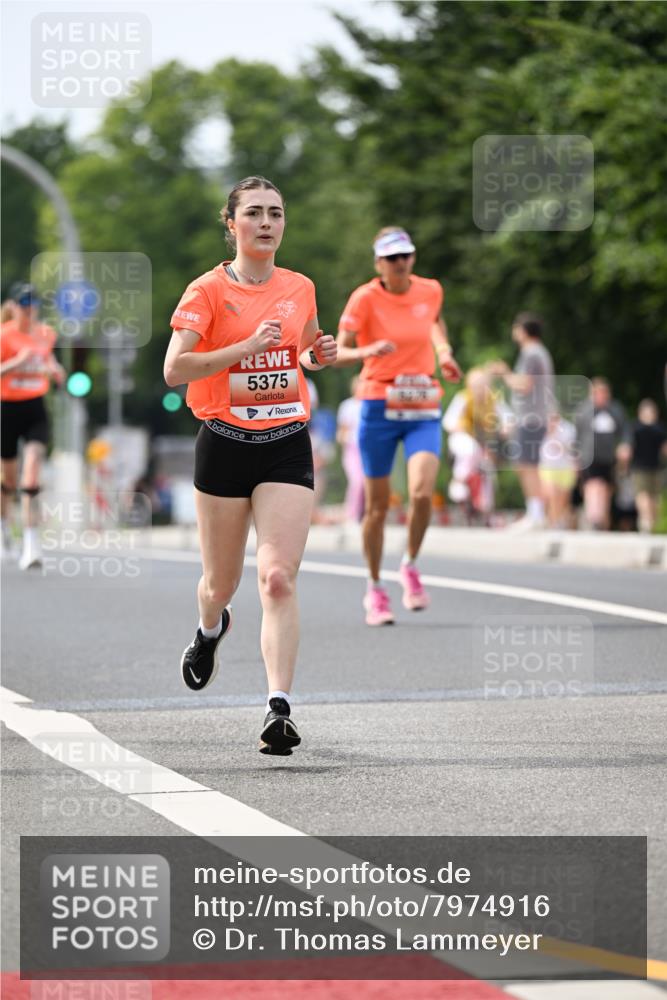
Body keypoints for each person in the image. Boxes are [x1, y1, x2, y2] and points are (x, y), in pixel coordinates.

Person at [163, 176, 336, 755]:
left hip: (286, 439)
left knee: (277, 577)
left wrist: (318, 354)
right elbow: (175, 369)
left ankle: (278, 708)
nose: (267, 223)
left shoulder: (300, 287)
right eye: (255, 213)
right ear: (231, 223)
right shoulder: (207, 291)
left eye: (277, 214)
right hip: (224, 442)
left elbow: (304, 348)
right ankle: (210, 629)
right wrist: (242, 350)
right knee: (221, 583)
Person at [335, 227, 462, 625]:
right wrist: (366, 351)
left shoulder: (430, 290)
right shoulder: (365, 297)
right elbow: (338, 350)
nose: (401, 263)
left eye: (406, 255)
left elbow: (435, 325)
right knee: (376, 508)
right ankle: (375, 588)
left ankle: (409, 564)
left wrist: (443, 354)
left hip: (422, 399)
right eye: (392, 258)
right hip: (378, 402)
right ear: (379, 264)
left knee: (422, 493)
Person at [1, 283, 65, 569]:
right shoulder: (4, 335)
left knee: (31, 475)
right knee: (9, 481)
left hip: (35, 407)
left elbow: (47, 358)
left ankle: (32, 545)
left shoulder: (46, 334)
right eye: (23, 302)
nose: (29, 307)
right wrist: (15, 363)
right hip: (7, 408)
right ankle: (4, 531)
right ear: (13, 306)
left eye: (33, 301)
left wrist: (56, 369)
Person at [487, 312, 555, 531]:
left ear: (524, 330)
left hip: (531, 417)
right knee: (527, 464)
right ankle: (535, 512)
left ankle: (535, 514)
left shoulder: (532, 354)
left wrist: (504, 373)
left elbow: (524, 384)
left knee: (527, 465)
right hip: (535, 416)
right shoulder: (538, 353)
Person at [442, 366, 506, 522]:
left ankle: (486, 508)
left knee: (488, 470)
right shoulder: (463, 398)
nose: (479, 389)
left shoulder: (494, 399)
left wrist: (505, 427)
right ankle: (459, 481)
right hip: (463, 441)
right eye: (476, 386)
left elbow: (508, 417)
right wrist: (459, 427)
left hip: (484, 442)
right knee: (470, 449)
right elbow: (448, 422)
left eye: (483, 385)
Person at [574, 378, 629, 530]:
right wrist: (576, 457)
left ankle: (601, 520)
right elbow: (577, 435)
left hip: (608, 457)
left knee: (605, 488)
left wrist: (625, 446)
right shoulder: (584, 411)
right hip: (589, 456)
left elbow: (625, 431)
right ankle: (594, 517)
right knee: (593, 485)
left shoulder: (615, 410)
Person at [628, 398, 667, 533]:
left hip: (656, 468)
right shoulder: (636, 428)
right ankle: (646, 520)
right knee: (642, 495)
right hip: (639, 468)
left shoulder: (659, 429)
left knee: (655, 499)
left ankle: (649, 522)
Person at [538, 411, 577, 528]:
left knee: (562, 500)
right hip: (548, 467)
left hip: (565, 467)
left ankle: (556, 522)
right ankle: (553, 524)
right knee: (552, 495)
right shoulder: (540, 427)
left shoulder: (568, 428)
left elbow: (572, 449)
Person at [336, 375, 364, 522]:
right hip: (352, 449)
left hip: (367, 449)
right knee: (357, 482)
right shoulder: (348, 406)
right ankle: (351, 514)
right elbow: (342, 431)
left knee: (367, 483)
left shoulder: (369, 405)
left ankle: (363, 514)